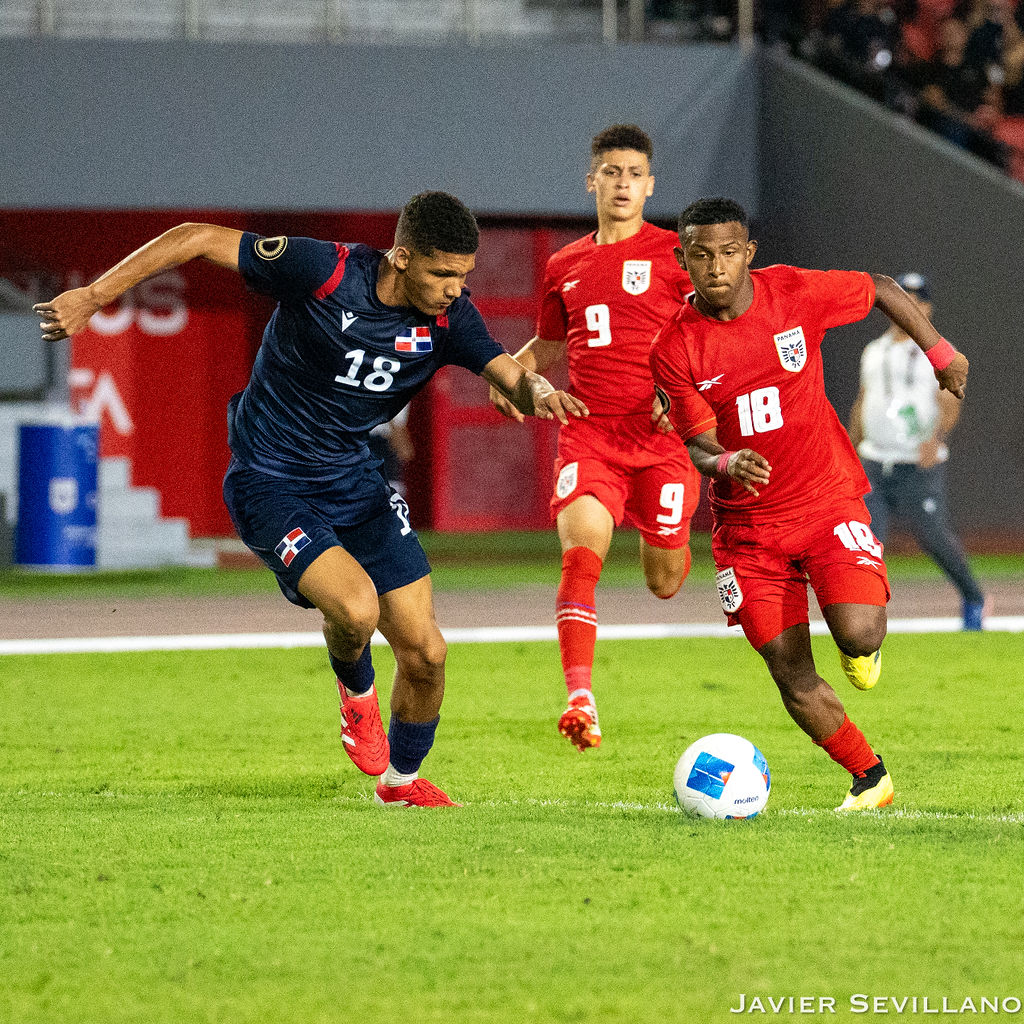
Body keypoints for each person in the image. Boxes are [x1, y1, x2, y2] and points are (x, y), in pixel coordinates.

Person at [34, 191, 588, 808]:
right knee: (355, 612)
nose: (456, 287)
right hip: (270, 482)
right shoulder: (321, 270)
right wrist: (91, 296)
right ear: (402, 258)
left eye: (464, 274)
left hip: (355, 485)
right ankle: (356, 695)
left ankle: (398, 788)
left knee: (428, 654)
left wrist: (536, 388)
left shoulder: (451, 318)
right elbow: (192, 234)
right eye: (442, 273)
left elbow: (505, 370)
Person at [649, 197, 969, 811]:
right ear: (683, 258)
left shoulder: (793, 293)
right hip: (747, 531)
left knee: (857, 631)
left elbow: (879, 288)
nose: (715, 267)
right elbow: (697, 444)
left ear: (748, 254)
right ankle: (871, 778)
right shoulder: (675, 346)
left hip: (825, 501)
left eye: (727, 253)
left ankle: (863, 646)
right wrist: (724, 462)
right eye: (700, 254)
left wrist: (940, 354)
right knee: (787, 669)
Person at [490, 124, 701, 753]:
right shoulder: (565, 265)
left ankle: (658, 530)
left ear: (650, 186)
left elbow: (715, 334)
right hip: (590, 438)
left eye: (635, 174)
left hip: (664, 443)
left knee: (665, 581)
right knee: (580, 556)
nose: (622, 183)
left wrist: (688, 398)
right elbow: (552, 346)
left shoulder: (676, 255)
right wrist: (511, 372)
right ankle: (580, 697)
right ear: (592, 180)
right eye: (611, 172)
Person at [849, 272, 987, 630]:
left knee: (933, 537)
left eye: (916, 298)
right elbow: (863, 400)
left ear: (927, 307)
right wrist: (851, 448)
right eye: (902, 297)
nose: (908, 305)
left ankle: (973, 597)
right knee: (868, 541)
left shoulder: (938, 349)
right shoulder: (873, 351)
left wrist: (937, 437)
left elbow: (951, 398)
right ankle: (869, 618)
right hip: (875, 459)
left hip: (918, 463)